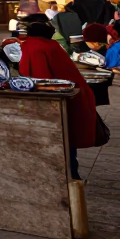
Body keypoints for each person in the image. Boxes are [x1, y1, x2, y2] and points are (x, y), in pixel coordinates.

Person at [20, 14, 99, 179]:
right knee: (67, 138)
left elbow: (41, 79)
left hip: (60, 99)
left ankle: (69, 179)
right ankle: (72, 177)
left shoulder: (33, 47)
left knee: (62, 140)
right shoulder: (51, 45)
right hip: (75, 96)